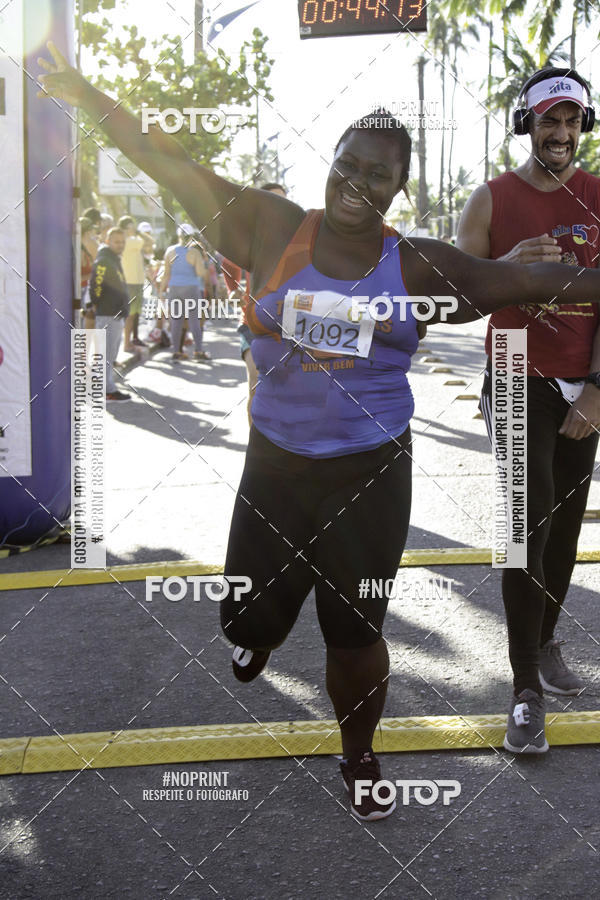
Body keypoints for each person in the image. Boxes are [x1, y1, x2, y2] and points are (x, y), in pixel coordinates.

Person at [38, 45, 600, 821]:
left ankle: (361, 756)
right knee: (248, 619)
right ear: (330, 162)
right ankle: (261, 621)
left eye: (377, 174)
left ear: (398, 190)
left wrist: (539, 273)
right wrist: (84, 91)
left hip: (370, 470)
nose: (356, 183)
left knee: (356, 624)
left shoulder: (417, 268)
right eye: (348, 164)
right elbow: (163, 159)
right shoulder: (270, 229)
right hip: (275, 464)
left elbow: (533, 281)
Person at [457, 67, 600, 756]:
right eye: (550, 120)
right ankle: (523, 692)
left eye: (572, 120)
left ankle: (544, 643)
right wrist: (507, 266)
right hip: (516, 371)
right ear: (526, 124)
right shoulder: (488, 200)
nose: (562, 132)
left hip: (586, 379)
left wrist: (599, 389)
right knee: (527, 523)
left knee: (566, 526)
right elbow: (455, 297)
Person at [222, 183, 288, 425]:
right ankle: (256, 450)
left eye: (284, 200)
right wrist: (233, 290)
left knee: (290, 390)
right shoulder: (247, 237)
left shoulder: (299, 238)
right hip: (252, 321)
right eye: (273, 200)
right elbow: (228, 264)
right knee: (256, 381)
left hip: (288, 322)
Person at [88, 227, 131, 402]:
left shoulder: (113, 259)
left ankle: (106, 387)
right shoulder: (104, 260)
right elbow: (95, 286)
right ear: (108, 241)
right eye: (116, 241)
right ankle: (106, 390)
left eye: (122, 242)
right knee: (105, 354)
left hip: (115, 314)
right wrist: (99, 304)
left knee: (110, 354)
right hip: (108, 313)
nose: (120, 245)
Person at [159, 224, 210, 361]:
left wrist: (160, 292)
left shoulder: (170, 251)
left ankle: (176, 352)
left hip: (174, 288)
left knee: (176, 321)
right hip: (191, 288)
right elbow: (200, 273)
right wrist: (205, 267)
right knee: (194, 321)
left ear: (179, 236)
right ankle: (198, 351)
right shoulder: (194, 253)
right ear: (192, 236)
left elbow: (166, 274)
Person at [118, 215, 147, 351]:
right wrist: (139, 233)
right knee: (130, 315)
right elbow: (149, 241)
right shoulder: (129, 241)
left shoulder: (130, 240)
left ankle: (128, 342)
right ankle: (126, 344)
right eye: (131, 226)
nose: (133, 228)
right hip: (131, 282)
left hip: (135, 281)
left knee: (133, 314)